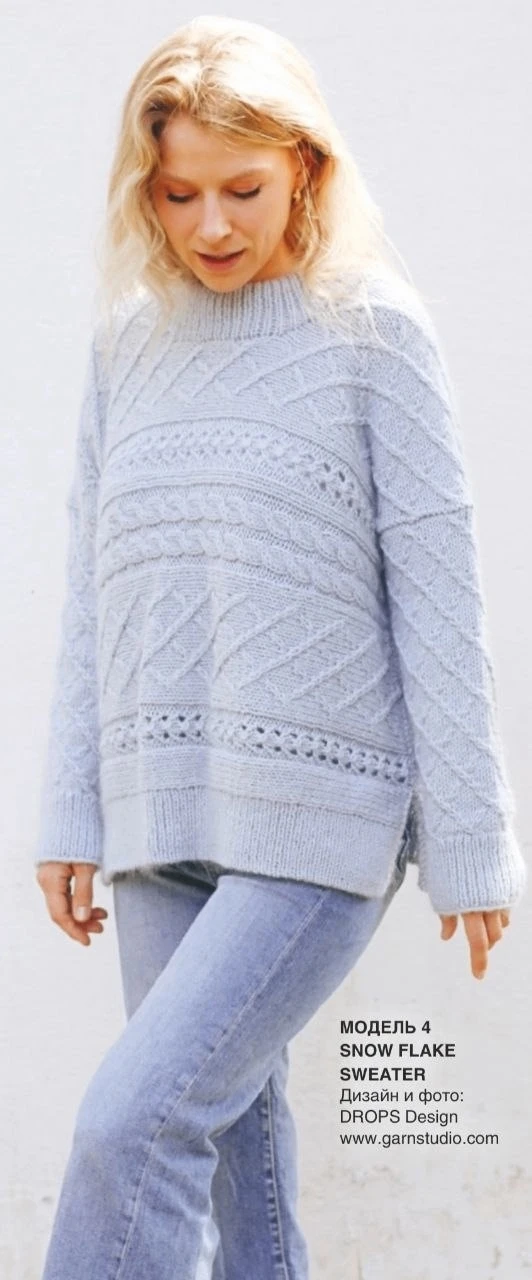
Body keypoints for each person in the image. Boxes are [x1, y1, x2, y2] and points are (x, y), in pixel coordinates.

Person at [34, 15, 527, 1280]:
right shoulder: (126, 345)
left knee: (132, 1126)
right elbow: (95, 592)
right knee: (233, 1161)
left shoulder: (373, 333)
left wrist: (470, 836)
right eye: (178, 192)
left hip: (318, 820)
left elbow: (439, 590)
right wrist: (71, 809)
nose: (209, 224)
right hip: (159, 814)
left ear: (305, 165)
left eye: (242, 189)